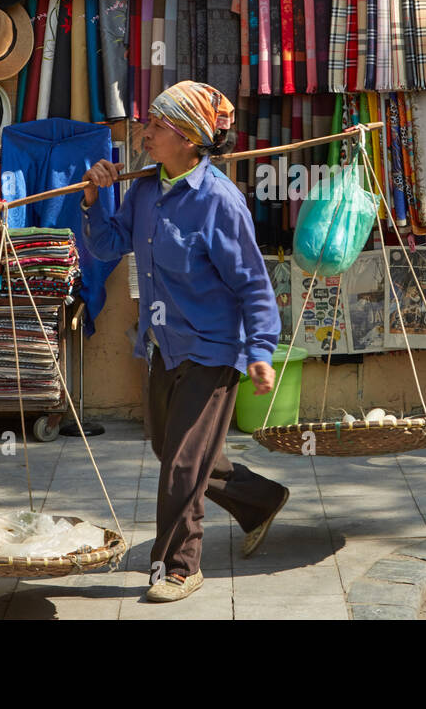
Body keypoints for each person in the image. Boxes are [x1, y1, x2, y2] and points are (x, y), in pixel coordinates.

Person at [80, 80, 289, 603]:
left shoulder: (220, 202)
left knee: (180, 465)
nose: (144, 133)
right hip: (163, 346)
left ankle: (178, 565)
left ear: (191, 140)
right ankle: (260, 499)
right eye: (147, 123)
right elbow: (108, 243)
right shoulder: (146, 190)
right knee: (170, 448)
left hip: (214, 350)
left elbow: (252, 283)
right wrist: (93, 198)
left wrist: (260, 350)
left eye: (156, 127)